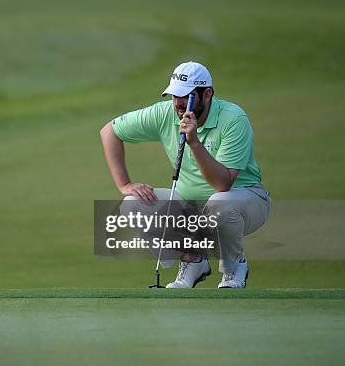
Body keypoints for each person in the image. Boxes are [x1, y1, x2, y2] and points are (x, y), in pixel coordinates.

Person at [99, 61, 271, 288]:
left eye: (186, 95)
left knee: (221, 203)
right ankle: (193, 259)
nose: (178, 103)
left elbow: (223, 184)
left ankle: (233, 267)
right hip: (191, 205)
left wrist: (195, 143)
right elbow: (110, 131)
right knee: (132, 205)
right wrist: (125, 184)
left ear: (207, 93)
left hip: (245, 200)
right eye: (174, 95)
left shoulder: (234, 120)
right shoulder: (165, 113)